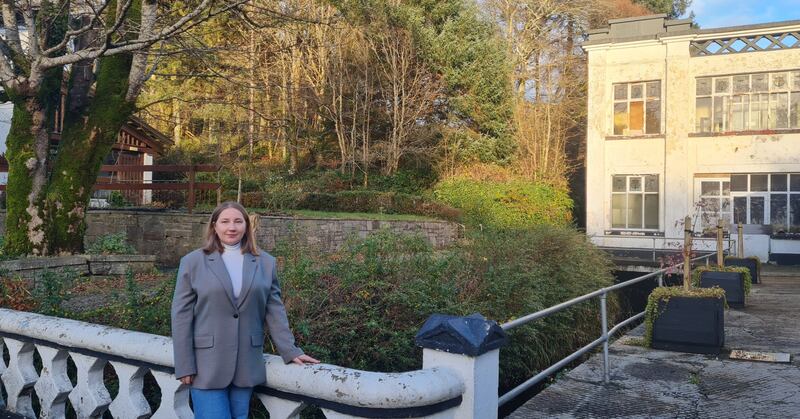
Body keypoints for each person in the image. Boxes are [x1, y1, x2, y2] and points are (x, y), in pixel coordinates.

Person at [171, 201, 318, 419]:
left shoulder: (266, 262)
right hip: (205, 366)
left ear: (247, 226)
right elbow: (181, 316)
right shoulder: (193, 262)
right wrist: (184, 364)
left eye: (238, 221)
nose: (232, 227)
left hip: (246, 363)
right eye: (225, 221)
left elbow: (274, 311)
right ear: (214, 226)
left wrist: (290, 350)